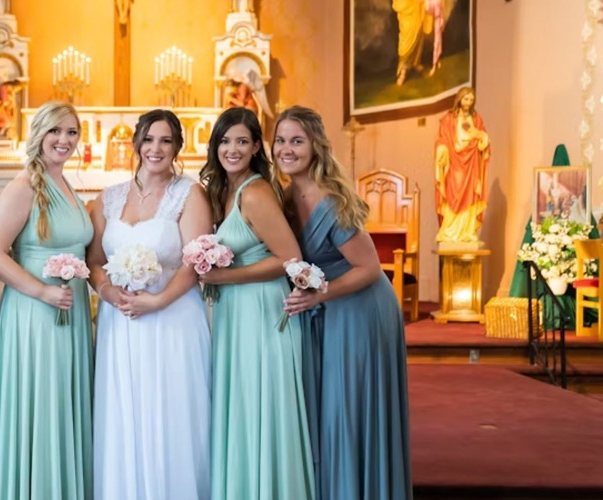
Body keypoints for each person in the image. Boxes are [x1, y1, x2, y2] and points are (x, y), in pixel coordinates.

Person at [276, 105, 412, 500]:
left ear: (316, 146)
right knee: (331, 409)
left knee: (347, 408)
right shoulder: (285, 197)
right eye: (280, 141)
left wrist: (317, 295)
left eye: (297, 141)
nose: (287, 149)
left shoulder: (330, 200)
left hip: (360, 307)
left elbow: (369, 268)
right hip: (328, 305)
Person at [88, 110, 213, 499]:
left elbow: (194, 263)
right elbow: (95, 261)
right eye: (148, 139)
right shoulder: (108, 199)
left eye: (166, 141)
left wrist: (157, 300)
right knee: (124, 411)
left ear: (177, 147)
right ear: (135, 143)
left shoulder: (189, 195)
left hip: (173, 317)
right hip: (120, 321)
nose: (155, 148)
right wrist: (107, 291)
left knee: (172, 412)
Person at [199, 107, 315, 499]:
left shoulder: (256, 192)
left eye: (242, 141)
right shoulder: (224, 190)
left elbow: (289, 257)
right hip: (235, 313)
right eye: (225, 141)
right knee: (243, 405)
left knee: (261, 403)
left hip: (263, 311)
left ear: (254, 148)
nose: (232, 149)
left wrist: (222, 277)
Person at [0, 101, 94, 500]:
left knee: (64, 401)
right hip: (36, 313)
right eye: (55, 131)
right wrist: (42, 291)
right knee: (44, 401)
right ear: (39, 135)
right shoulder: (23, 186)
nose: (64, 140)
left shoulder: (66, 184)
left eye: (71, 132)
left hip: (71, 312)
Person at [435, 87, 490, 243]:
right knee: (453, 193)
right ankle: (449, 230)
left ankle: (467, 231)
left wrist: (481, 136)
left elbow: (483, 139)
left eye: (471, 100)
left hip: (471, 161)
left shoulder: (476, 119)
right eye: (466, 99)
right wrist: (442, 148)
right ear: (459, 99)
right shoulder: (449, 118)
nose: (468, 103)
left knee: (470, 195)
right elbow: (442, 138)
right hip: (454, 161)